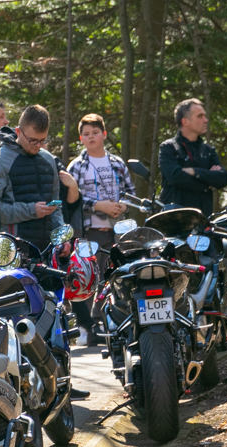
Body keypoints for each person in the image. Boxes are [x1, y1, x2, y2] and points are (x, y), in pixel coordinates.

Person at [67, 113, 135, 345]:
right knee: (87, 277)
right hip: (89, 230)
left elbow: (131, 192)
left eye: (95, 132)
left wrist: (123, 205)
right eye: (86, 134)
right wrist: (98, 205)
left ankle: (110, 322)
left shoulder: (117, 163)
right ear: (81, 138)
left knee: (114, 277)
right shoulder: (76, 166)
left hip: (117, 231)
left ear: (104, 134)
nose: (91, 137)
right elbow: (72, 201)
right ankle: (86, 327)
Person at [0, 104, 65, 251]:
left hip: (47, 250)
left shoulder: (49, 160)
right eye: (33, 140)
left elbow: (56, 205)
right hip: (13, 251)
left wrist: (61, 237)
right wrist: (31, 210)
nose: (37, 145)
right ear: (18, 132)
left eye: (42, 140)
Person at [159, 98, 227, 216]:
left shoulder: (208, 150)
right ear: (185, 121)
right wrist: (207, 179)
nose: (206, 120)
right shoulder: (169, 147)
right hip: (174, 219)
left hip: (202, 219)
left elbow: (222, 179)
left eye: (205, 116)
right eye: (200, 116)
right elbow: (175, 177)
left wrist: (194, 171)